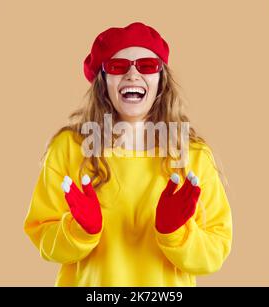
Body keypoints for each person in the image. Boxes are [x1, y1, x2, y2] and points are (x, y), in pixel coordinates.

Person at [23, 21, 233, 286]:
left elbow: (215, 252)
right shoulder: (69, 148)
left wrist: (176, 233)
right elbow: (43, 238)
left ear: (161, 79)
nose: (133, 75)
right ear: (103, 80)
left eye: (146, 65)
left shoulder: (192, 155)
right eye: (118, 67)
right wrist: (79, 230)